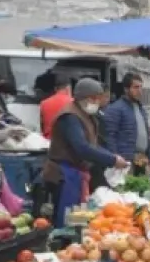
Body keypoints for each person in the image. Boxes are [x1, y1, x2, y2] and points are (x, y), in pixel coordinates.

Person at [43, 78, 126, 227]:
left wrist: (112, 157)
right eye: (96, 98)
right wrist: (112, 160)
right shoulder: (70, 117)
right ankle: (62, 245)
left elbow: (91, 145)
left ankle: (72, 242)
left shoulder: (85, 114)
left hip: (76, 173)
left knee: (77, 218)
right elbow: (82, 148)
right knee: (66, 219)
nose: (98, 102)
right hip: (64, 174)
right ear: (87, 98)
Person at [102, 73, 150, 174]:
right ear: (126, 89)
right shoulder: (115, 109)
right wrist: (115, 159)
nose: (140, 91)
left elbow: (147, 134)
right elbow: (109, 137)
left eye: (141, 87)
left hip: (142, 159)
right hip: (125, 161)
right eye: (136, 87)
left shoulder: (141, 108)